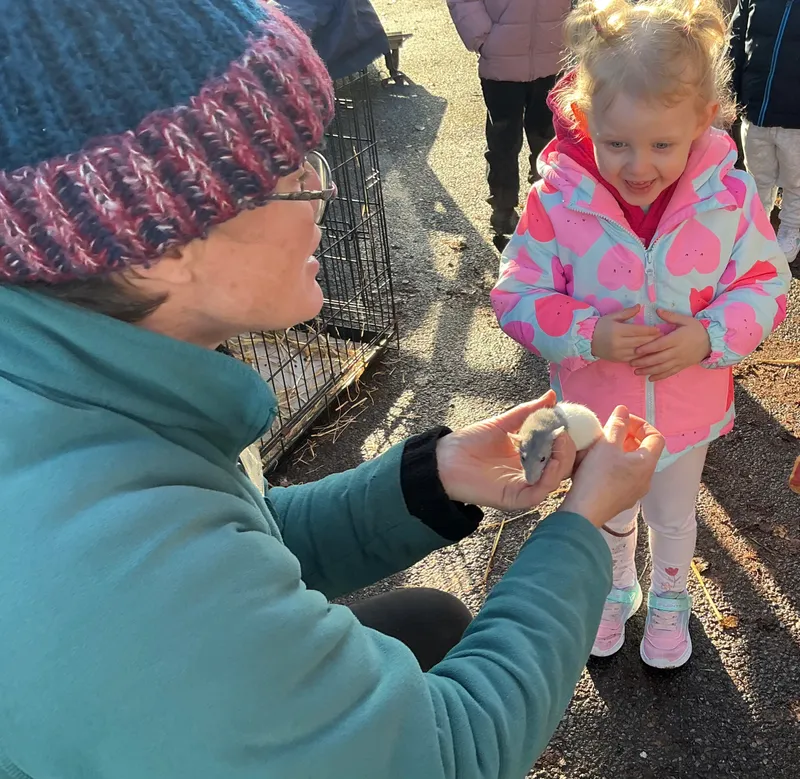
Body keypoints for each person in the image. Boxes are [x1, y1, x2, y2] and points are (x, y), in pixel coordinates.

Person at [0, 2, 666, 778]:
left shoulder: (77, 402)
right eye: (292, 173)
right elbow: (450, 753)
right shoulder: (124, 575)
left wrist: (435, 475)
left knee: (430, 619)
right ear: (153, 244)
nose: (329, 190)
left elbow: (232, 537)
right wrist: (584, 524)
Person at [491, 0, 791, 670]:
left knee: (674, 515)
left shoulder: (730, 198)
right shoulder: (558, 199)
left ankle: (670, 601)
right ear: (583, 118)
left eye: (662, 145)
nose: (638, 165)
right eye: (617, 142)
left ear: (702, 123)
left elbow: (767, 283)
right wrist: (584, 331)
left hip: (685, 412)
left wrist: (711, 336)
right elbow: (514, 291)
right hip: (599, 410)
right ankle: (617, 584)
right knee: (608, 510)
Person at [446, 0, 569, 237]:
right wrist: (481, 37)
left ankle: (546, 204)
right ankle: (503, 209)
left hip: (551, 57)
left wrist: (571, 28)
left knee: (548, 140)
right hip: (501, 61)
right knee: (504, 140)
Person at [731, 0, 800, 262]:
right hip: (756, 107)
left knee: (796, 181)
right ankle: (757, 226)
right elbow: (737, 37)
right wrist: (736, 91)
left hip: (796, 120)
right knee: (757, 176)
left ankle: (791, 229)